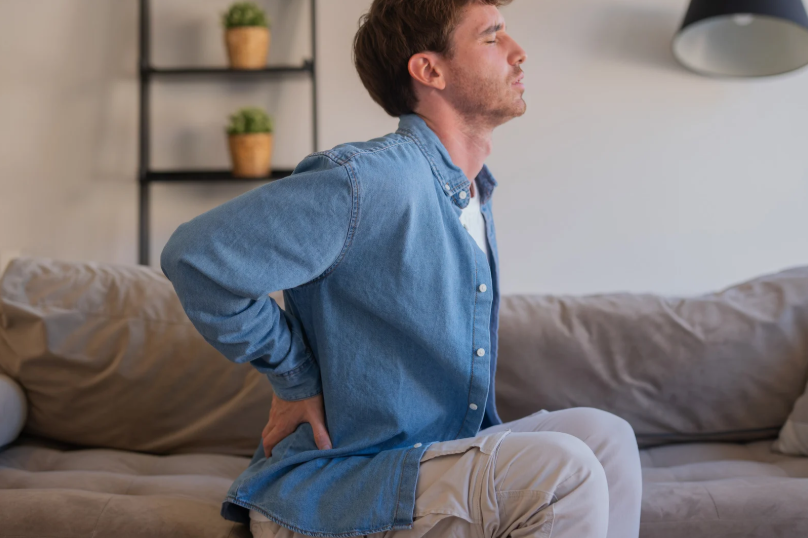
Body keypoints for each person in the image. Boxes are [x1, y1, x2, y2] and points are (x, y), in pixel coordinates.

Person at [160, 0, 643, 537]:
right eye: (492, 37)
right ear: (429, 70)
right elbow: (196, 257)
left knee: (607, 437)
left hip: (429, 461)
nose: (518, 53)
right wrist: (293, 377)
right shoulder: (371, 181)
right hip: (337, 489)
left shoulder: (471, 193)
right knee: (565, 472)